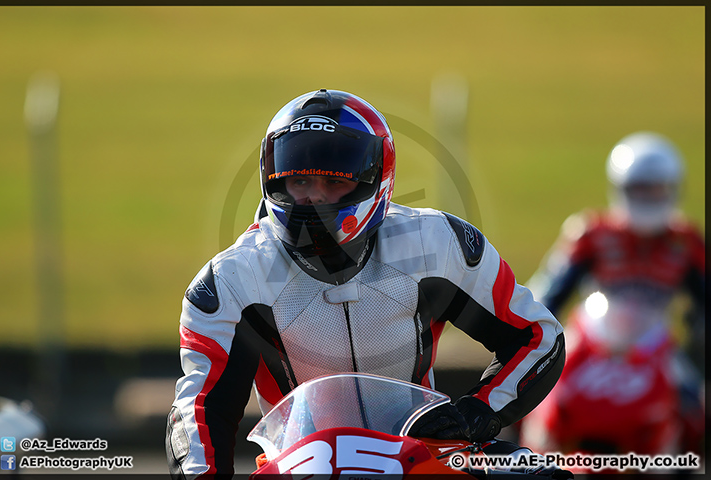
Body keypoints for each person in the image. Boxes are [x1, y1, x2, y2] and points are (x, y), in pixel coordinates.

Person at [165, 89, 566, 478]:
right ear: (273, 180)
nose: (313, 199)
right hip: (298, 468)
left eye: (333, 182)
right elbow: (199, 415)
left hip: (424, 458)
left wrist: (479, 412)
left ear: (377, 180)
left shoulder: (439, 244)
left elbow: (537, 336)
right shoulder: (230, 280)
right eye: (300, 182)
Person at [525, 131, 705, 453]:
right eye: (641, 189)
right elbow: (549, 293)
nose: (649, 197)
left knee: (695, 406)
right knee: (526, 389)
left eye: (657, 188)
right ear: (621, 188)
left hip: (655, 344)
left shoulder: (686, 242)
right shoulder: (591, 233)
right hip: (593, 341)